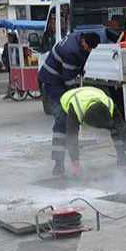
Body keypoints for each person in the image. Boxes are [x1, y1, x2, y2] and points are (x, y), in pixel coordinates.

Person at [37, 31, 101, 173]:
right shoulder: (71, 51)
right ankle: (58, 163)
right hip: (52, 82)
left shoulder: (79, 37)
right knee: (62, 119)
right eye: (89, 47)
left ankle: (73, 161)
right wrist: (77, 97)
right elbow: (68, 80)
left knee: (71, 119)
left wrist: (80, 69)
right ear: (84, 42)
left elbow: (77, 66)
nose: (89, 51)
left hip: (60, 79)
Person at [53, 86, 126, 177]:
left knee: (116, 126)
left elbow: (123, 129)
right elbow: (72, 137)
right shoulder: (75, 109)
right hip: (68, 98)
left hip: (94, 93)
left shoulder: (109, 105)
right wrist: (75, 163)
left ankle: (122, 156)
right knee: (60, 131)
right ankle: (58, 164)